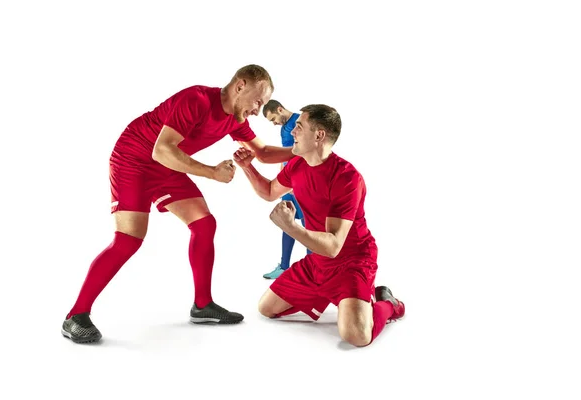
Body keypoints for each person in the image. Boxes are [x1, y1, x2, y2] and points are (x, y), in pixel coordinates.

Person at [62, 64, 294, 344]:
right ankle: (76, 315)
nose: (258, 110)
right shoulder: (196, 100)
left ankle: (203, 305)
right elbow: (161, 148)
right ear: (240, 86)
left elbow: (264, 152)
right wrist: (211, 172)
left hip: (165, 165)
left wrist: (302, 151)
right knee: (128, 240)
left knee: (204, 224)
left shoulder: (235, 119)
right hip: (134, 158)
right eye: (258, 101)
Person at [233, 104, 405, 347]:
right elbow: (271, 191)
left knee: (355, 336)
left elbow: (334, 245)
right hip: (318, 261)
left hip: (353, 261)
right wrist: (247, 167)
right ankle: (334, 297)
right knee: (266, 308)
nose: (292, 132)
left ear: (319, 135)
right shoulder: (297, 165)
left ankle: (389, 304)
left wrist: (292, 228)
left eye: (299, 127)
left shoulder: (347, 178)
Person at [261, 100, 311, 279]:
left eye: (273, 118)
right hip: (289, 183)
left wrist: (301, 183)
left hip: (304, 183)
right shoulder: (283, 129)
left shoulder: (301, 122)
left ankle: (312, 268)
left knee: (308, 225)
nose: (274, 123)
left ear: (280, 109)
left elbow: (309, 153)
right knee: (286, 221)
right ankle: (283, 267)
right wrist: (281, 182)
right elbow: (284, 158)